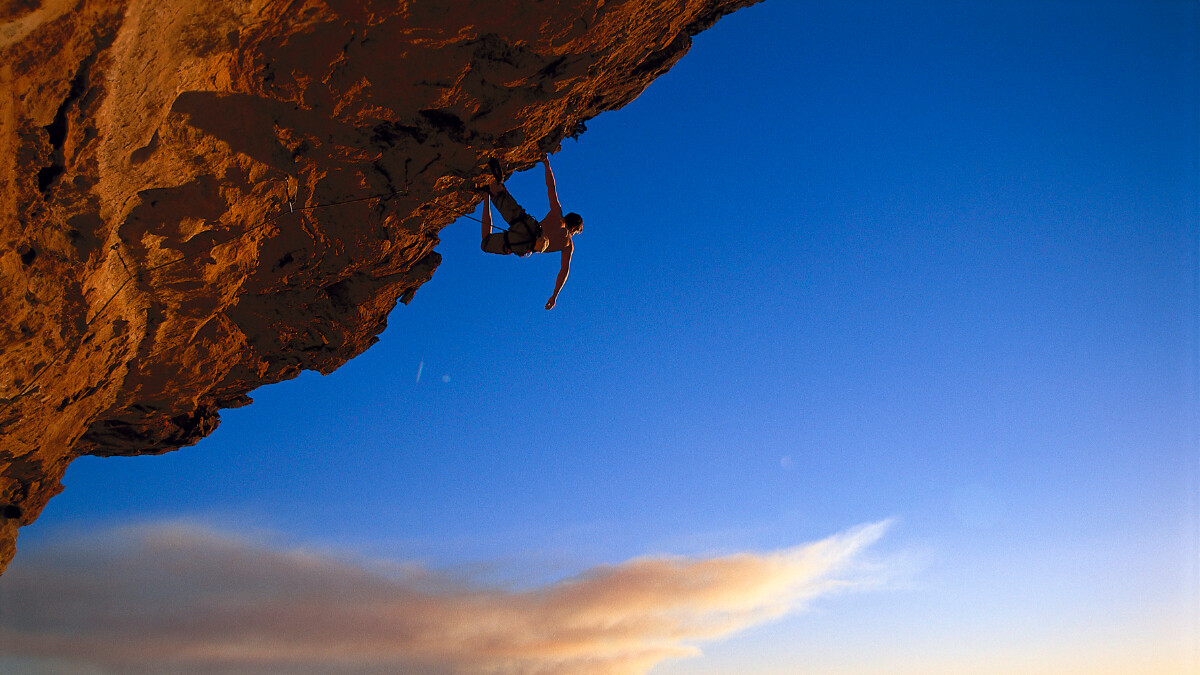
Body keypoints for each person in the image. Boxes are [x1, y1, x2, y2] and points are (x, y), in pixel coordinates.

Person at [480, 157, 583, 310]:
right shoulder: (568, 244)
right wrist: (554, 295)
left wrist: (546, 164)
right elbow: (564, 271)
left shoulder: (557, 215)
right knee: (486, 242)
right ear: (574, 229)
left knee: (501, 194)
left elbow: (551, 188)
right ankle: (485, 196)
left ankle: (495, 190)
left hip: (528, 225)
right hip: (524, 245)